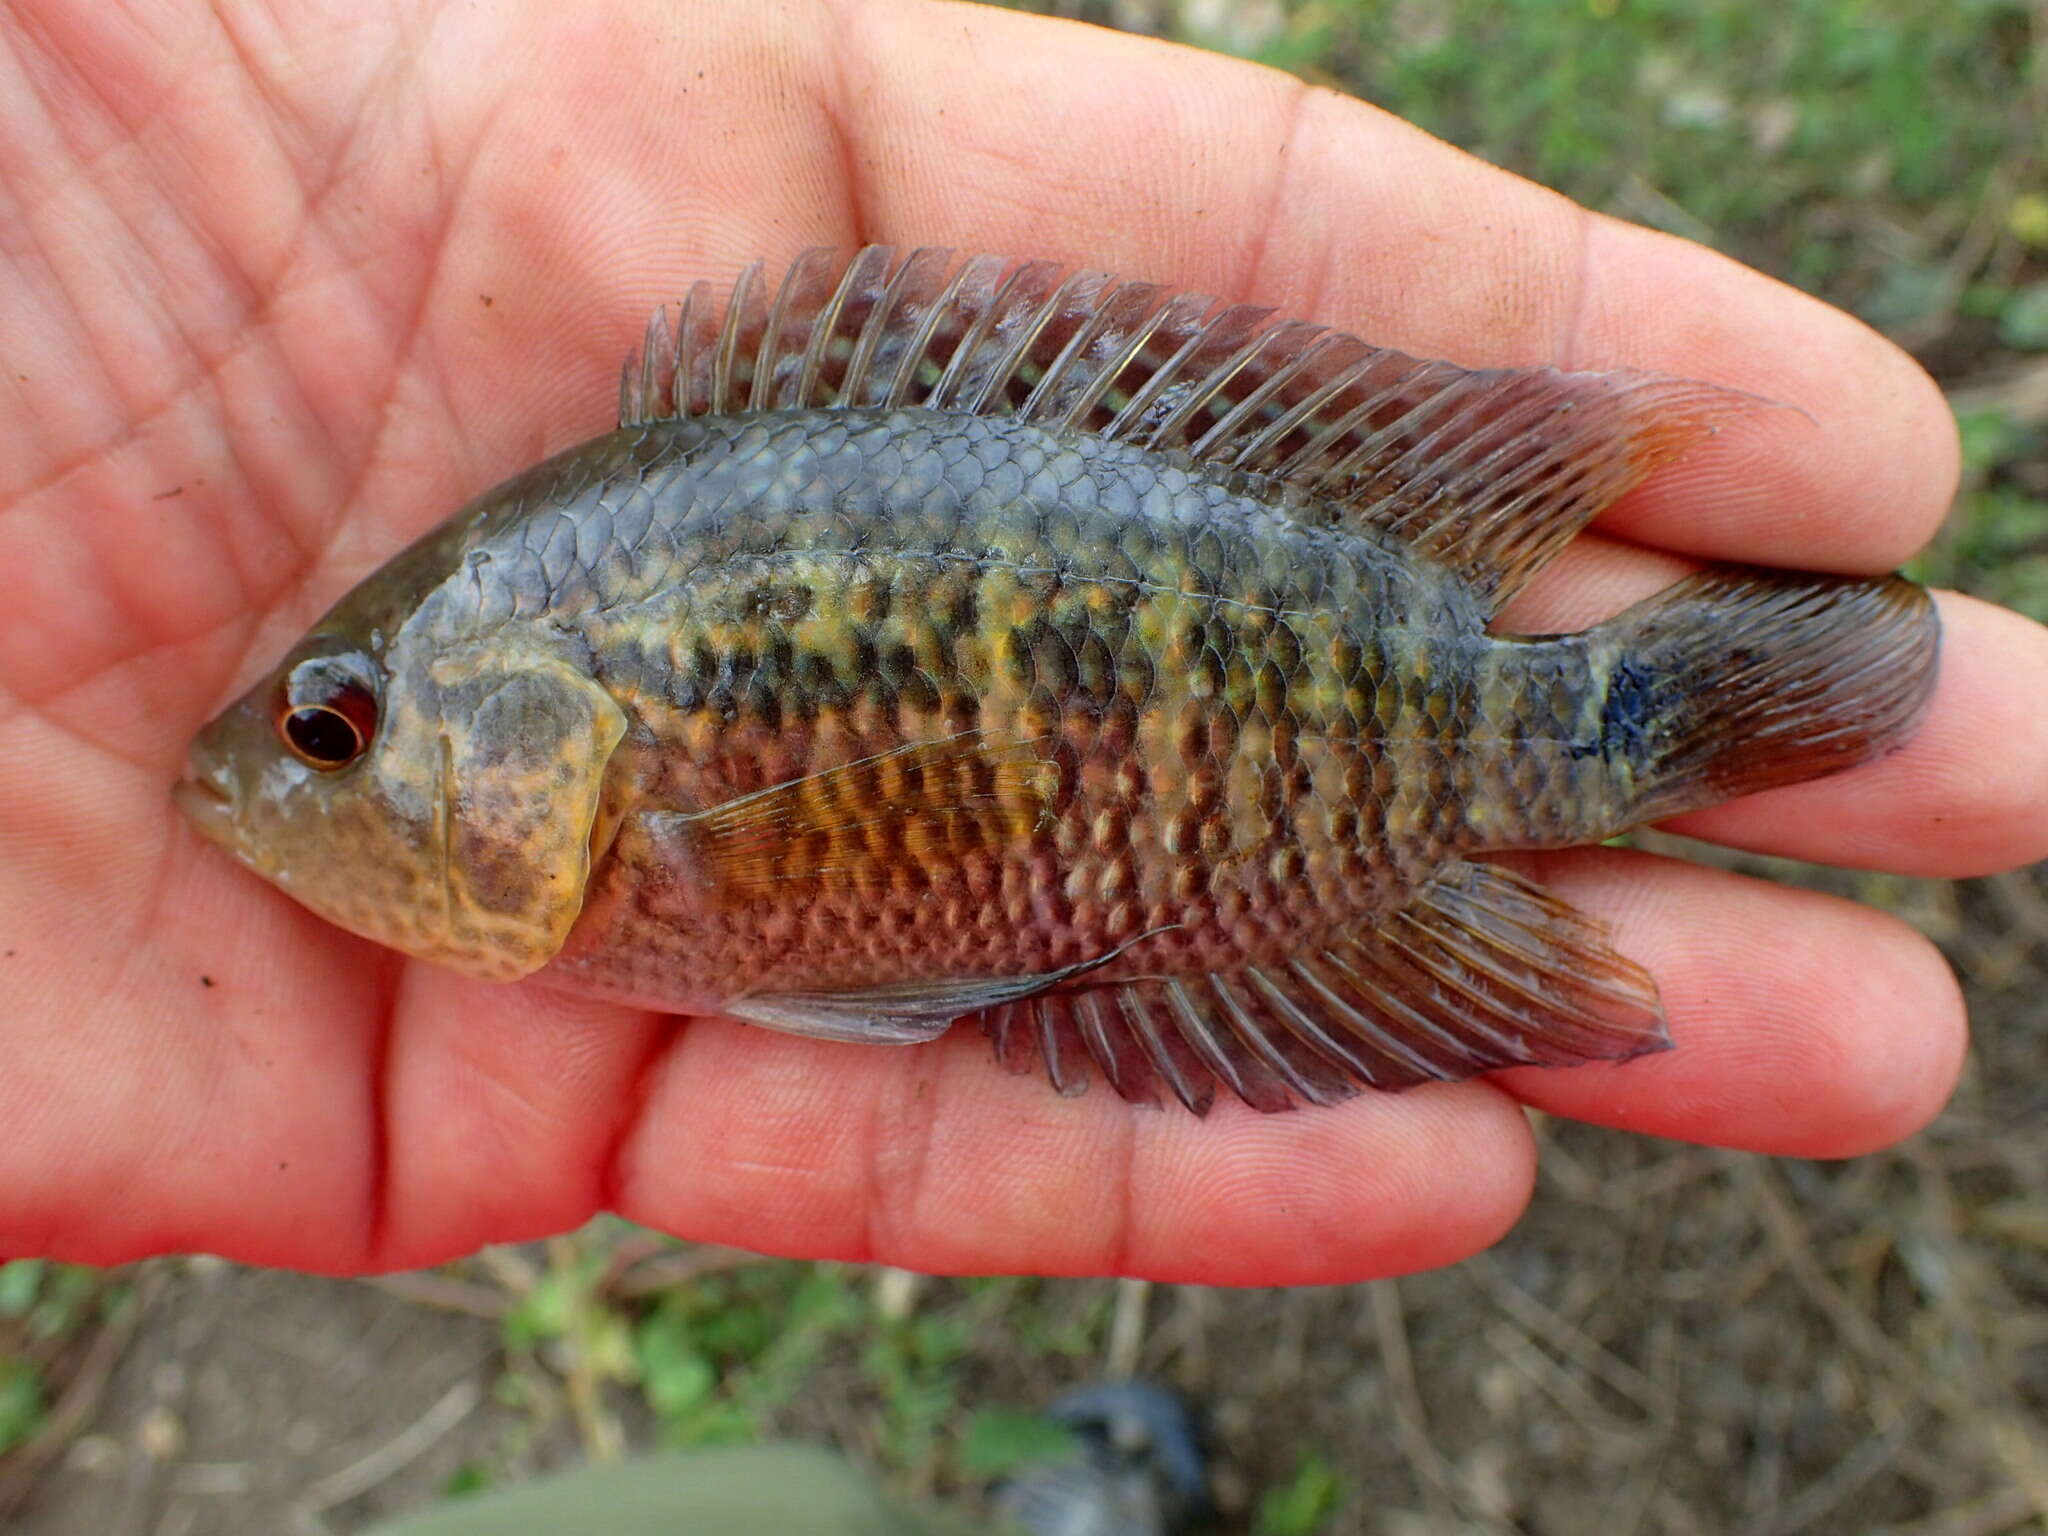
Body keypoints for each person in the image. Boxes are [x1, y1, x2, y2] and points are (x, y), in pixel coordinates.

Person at [1, 0, 2040, 1294]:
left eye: (339, 727)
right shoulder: (604, 729)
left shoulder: (620, 723)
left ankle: (1617, 738)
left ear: (533, 721)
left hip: (1309, 698)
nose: (286, 761)